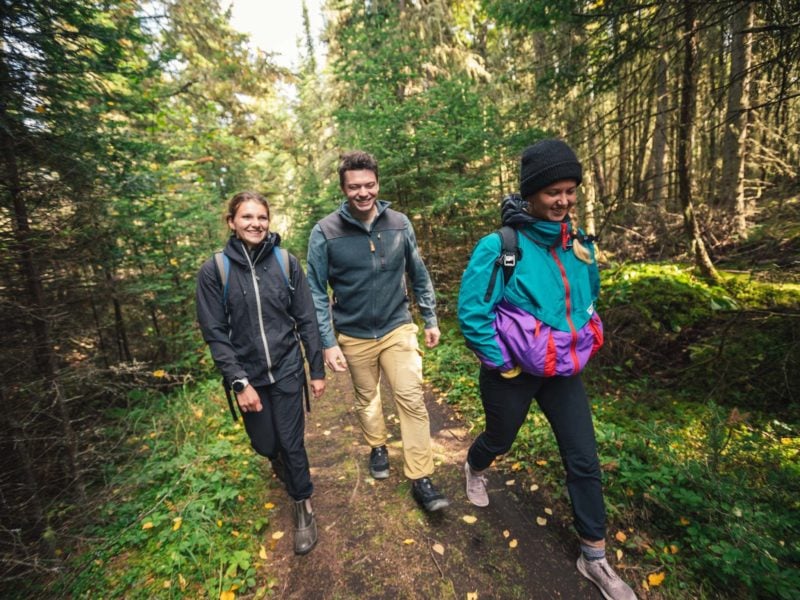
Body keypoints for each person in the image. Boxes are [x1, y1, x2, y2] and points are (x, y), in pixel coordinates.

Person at [457, 139, 637, 599]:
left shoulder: (579, 244)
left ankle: (593, 557)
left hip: (562, 370)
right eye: (553, 192)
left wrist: (587, 330)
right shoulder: (501, 246)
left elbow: (588, 296)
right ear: (531, 193)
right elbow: (473, 312)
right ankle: (475, 466)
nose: (563, 201)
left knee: (583, 456)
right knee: (501, 437)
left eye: (570, 191)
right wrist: (502, 362)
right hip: (513, 371)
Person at [306, 150, 449, 512]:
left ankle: (422, 477)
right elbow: (315, 292)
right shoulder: (325, 232)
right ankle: (378, 445)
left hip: (397, 326)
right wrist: (327, 342)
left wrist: (429, 318)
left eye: (369, 185)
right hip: (353, 334)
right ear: (343, 188)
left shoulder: (399, 223)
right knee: (367, 398)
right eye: (354, 187)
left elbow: (417, 272)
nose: (363, 193)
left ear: (378, 184)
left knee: (411, 397)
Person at [196, 191, 326, 555]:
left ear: (269, 221)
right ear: (232, 222)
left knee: (291, 441)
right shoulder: (215, 270)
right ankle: (278, 462)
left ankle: (303, 507)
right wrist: (239, 382)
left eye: (262, 217)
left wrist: (315, 369)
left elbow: (306, 319)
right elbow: (215, 332)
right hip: (248, 376)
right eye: (247, 217)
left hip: (286, 369)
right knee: (266, 445)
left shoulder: (286, 263)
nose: (255, 223)